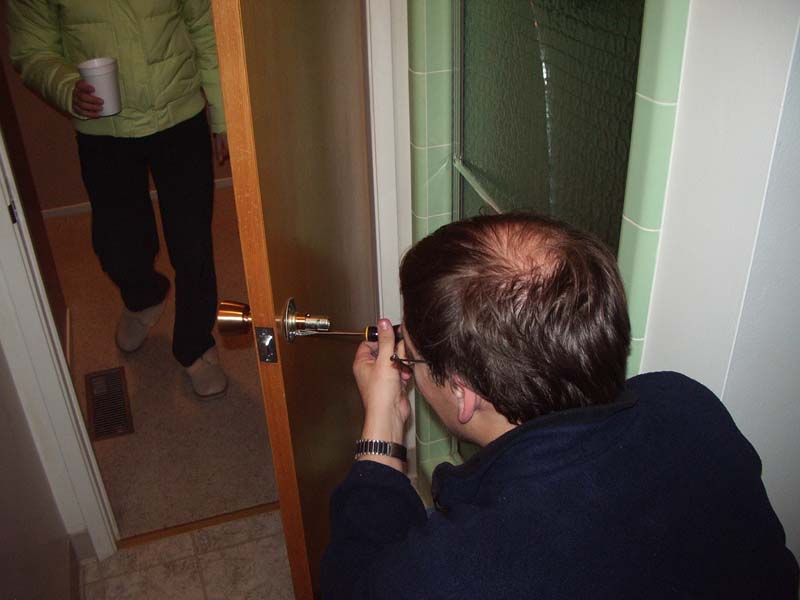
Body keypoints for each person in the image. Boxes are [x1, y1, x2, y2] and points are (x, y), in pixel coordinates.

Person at [321, 214, 799, 599]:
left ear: (463, 394)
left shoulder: (462, 570)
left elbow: (352, 585)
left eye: (411, 352)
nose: (404, 356)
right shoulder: (688, 405)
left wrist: (382, 431)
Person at [8, 0, 228, 397]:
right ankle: (144, 296)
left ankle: (195, 344)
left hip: (180, 116)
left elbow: (204, 28)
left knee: (193, 244)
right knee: (116, 245)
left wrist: (223, 115)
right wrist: (66, 87)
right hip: (103, 129)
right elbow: (32, 48)